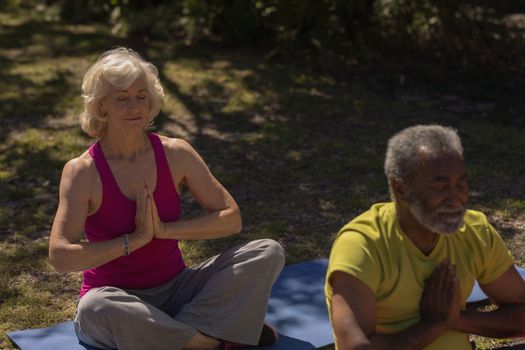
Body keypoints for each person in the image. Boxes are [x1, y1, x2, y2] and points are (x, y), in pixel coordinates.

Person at [49, 47, 285, 350]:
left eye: (141, 96)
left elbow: (231, 218)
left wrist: (164, 231)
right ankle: (211, 341)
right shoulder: (83, 171)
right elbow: (60, 256)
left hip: (178, 291)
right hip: (117, 297)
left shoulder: (176, 153)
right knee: (96, 309)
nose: (134, 106)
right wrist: (134, 240)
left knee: (268, 251)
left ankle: (175, 334)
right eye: (122, 98)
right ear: (102, 106)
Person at [325, 125, 525, 350]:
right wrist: (432, 325)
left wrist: (456, 319)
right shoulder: (362, 245)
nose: (455, 199)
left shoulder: (475, 231)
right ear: (400, 189)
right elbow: (356, 347)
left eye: (461, 183)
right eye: (439, 185)